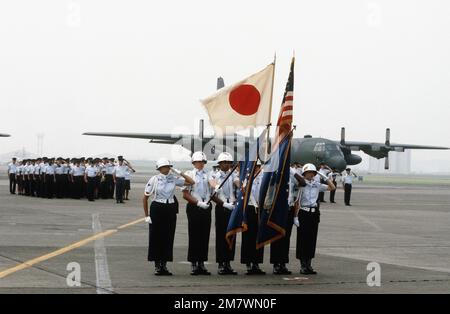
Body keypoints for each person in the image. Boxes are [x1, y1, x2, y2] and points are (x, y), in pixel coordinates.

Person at [143, 158, 194, 275]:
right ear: (160, 168)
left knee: (168, 236)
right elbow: (145, 197)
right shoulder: (154, 179)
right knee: (156, 237)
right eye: (165, 166)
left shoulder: (173, 179)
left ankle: (164, 265)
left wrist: (179, 172)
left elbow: (191, 182)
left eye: (169, 166)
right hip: (157, 207)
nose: (167, 168)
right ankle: (157, 265)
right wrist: (147, 215)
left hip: (170, 208)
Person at [296, 163, 335, 275]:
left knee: (311, 239)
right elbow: (297, 200)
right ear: (304, 173)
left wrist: (324, 177)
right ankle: (303, 265)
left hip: (314, 214)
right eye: (308, 173)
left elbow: (332, 187)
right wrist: (295, 216)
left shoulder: (316, 184)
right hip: (303, 213)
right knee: (303, 240)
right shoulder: (301, 184)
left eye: (312, 173)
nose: (311, 174)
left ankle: (309, 265)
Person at [182, 151, 212, 275]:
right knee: (194, 235)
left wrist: (218, 186)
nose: (200, 164)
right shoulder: (189, 175)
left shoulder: (209, 174)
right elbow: (185, 194)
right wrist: (198, 203)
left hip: (206, 207)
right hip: (194, 207)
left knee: (205, 236)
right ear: (193, 163)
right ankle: (194, 263)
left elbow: (213, 186)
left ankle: (202, 263)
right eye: (198, 162)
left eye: (202, 162)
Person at [270, 164, 304, 275]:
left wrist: (293, 172)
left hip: (289, 210)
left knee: (286, 237)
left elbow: (303, 183)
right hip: (278, 210)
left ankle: (283, 263)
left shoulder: (292, 177)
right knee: (276, 237)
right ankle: (276, 264)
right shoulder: (275, 176)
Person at [209, 152, 240, 275]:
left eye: (228, 163)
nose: (226, 165)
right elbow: (212, 196)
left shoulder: (233, 175)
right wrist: (224, 204)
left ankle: (228, 263)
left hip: (232, 207)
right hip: (222, 208)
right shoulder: (214, 176)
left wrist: (241, 185)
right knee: (221, 236)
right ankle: (221, 263)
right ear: (220, 164)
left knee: (232, 235)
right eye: (224, 163)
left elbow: (238, 185)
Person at [241, 161, 265, 275]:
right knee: (248, 236)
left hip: (260, 209)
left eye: (258, 167)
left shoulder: (263, 178)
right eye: (255, 167)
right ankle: (248, 263)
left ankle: (257, 263)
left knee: (259, 236)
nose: (257, 168)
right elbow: (244, 191)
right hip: (250, 209)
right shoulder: (247, 178)